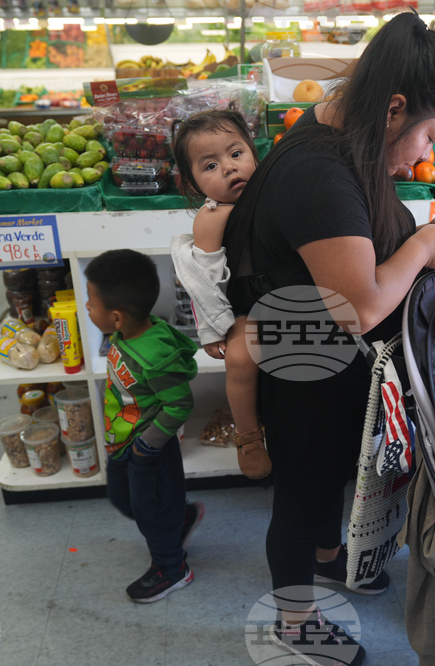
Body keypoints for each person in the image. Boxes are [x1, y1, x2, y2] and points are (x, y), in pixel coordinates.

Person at [226, 12, 435, 664]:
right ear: (395, 108)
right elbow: (361, 306)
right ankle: (294, 618)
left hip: (334, 360)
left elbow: (358, 236)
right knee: (303, 492)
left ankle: (329, 552)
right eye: (430, 133)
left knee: (325, 481)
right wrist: (425, 242)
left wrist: (419, 231)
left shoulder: (344, 129)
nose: (427, 151)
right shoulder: (319, 173)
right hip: (310, 362)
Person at [84, 249, 204, 603]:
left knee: (150, 514)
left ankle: (172, 568)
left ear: (116, 317)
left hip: (147, 452)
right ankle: (179, 518)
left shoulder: (154, 355)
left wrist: (147, 447)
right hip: (122, 443)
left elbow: (179, 403)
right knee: (124, 502)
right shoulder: (128, 334)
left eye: (91, 303)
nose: (87, 309)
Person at [170, 109, 271, 480]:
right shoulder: (211, 218)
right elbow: (202, 281)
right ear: (194, 184)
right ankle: (248, 436)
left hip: (286, 294)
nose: (229, 168)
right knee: (241, 359)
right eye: (210, 165)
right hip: (246, 303)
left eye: (236, 154)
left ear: (254, 155)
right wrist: (212, 330)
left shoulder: (274, 192)